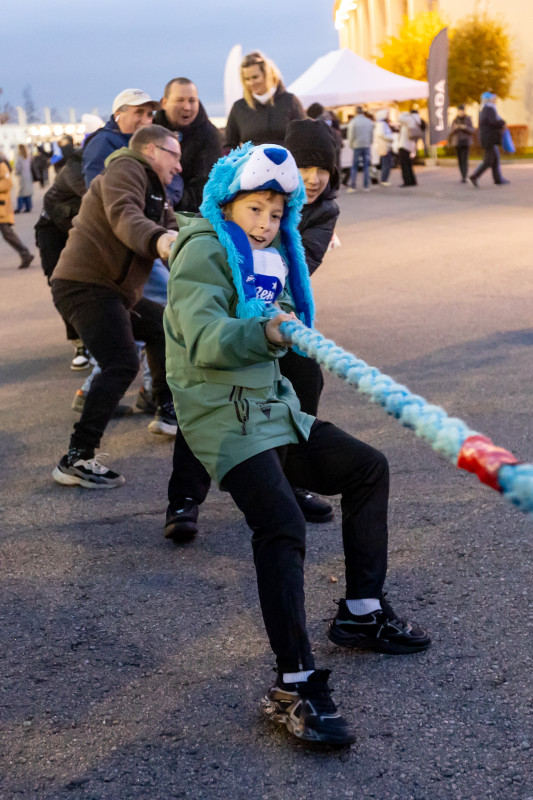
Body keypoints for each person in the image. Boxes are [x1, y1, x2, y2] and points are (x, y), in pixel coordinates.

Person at [163, 142, 431, 745]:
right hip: (222, 415)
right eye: (255, 209)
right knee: (282, 523)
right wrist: (271, 330)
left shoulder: (270, 252)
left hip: (272, 409)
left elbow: (276, 312)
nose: (266, 224)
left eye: (277, 213)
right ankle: (294, 682)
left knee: (367, 468)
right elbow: (206, 338)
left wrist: (289, 327)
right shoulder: (204, 252)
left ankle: (362, 613)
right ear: (228, 202)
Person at [163, 119, 341, 541]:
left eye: (324, 169)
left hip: (274, 306)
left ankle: (289, 479)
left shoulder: (323, 210)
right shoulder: (243, 201)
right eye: (307, 166)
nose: (315, 178)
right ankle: (185, 497)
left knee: (305, 380)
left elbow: (299, 267)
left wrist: (281, 317)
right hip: (230, 307)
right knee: (214, 388)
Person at [50, 124, 181, 488]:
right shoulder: (126, 168)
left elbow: (176, 232)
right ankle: (77, 457)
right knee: (121, 362)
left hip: (113, 292)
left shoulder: (157, 190)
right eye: (175, 156)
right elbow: (125, 215)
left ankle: (165, 410)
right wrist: (159, 240)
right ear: (152, 150)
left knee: (162, 326)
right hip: (86, 285)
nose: (180, 167)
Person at [35, 136, 90, 369]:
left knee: (94, 285)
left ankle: (99, 338)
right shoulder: (75, 166)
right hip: (53, 229)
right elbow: (96, 197)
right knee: (60, 283)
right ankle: (79, 341)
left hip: (79, 229)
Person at [154, 77, 222, 212]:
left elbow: (206, 184)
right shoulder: (151, 131)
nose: (187, 107)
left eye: (192, 101)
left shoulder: (210, 135)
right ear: (164, 103)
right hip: (154, 206)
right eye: (180, 100)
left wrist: (176, 203)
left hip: (193, 212)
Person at [224, 50, 305, 150]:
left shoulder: (290, 101)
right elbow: (229, 145)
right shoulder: (239, 107)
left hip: (285, 163)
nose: (251, 83)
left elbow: (303, 137)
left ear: (267, 74)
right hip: (251, 164)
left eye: (255, 77)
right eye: (247, 79)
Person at [82, 88, 159, 188]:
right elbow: (99, 189)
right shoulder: (102, 143)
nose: (146, 120)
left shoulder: (148, 142)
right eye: (139, 112)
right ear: (118, 115)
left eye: (149, 115)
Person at [0, 151, 34, 269]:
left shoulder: (1, 165)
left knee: (7, 233)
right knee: (7, 233)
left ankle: (25, 254)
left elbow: (7, 183)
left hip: (1, 207)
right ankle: (25, 254)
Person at [469, 92, 509, 187]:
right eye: (492, 98)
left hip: (487, 139)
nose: (494, 100)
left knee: (495, 159)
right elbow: (493, 122)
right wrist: (502, 122)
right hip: (489, 139)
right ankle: (474, 176)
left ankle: (498, 179)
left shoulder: (483, 109)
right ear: (488, 99)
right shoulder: (489, 109)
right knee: (489, 160)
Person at [346, 106, 374, 192]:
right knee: (366, 165)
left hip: (357, 145)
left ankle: (353, 185)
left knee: (354, 166)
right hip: (366, 144)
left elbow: (351, 135)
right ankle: (366, 186)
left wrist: (351, 144)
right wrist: (370, 142)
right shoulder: (369, 121)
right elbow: (371, 134)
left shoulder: (353, 122)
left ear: (355, 112)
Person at [449, 105, 475, 183]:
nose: (461, 112)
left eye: (462, 110)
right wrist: (455, 128)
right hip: (457, 142)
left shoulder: (468, 119)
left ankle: (465, 176)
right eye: (459, 110)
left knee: (465, 159)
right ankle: (462, 175)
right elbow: (451, 131)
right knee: (460, 160)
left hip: (466, 142)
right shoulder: (455, 120)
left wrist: (464, 127)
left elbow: (472, 130)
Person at [373, 109, 394, 186]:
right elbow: (380, 134)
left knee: (387, 163)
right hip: (384, 146)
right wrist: (390, 138)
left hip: (386, 146)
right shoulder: (381, 124)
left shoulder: (382, 124)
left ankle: (384, 179)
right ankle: (384, 179)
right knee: (386, 163)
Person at [397, 111, 418, 187]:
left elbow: (399, 118)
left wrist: (404, 114)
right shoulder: (412, 122)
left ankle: (407, 181)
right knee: (408, 165)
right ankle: (412, 180)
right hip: (408, 146)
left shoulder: (407, 122)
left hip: (404, 146)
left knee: (405, 165)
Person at [14, 144, 34, 213]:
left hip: (22, 177)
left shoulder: (19, 157)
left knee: (20, 193)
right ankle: (28, 207)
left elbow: (18, 168)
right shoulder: (28, 156)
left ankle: (19, 207)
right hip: (28, 176)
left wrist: (16, 172)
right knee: (27, 192)